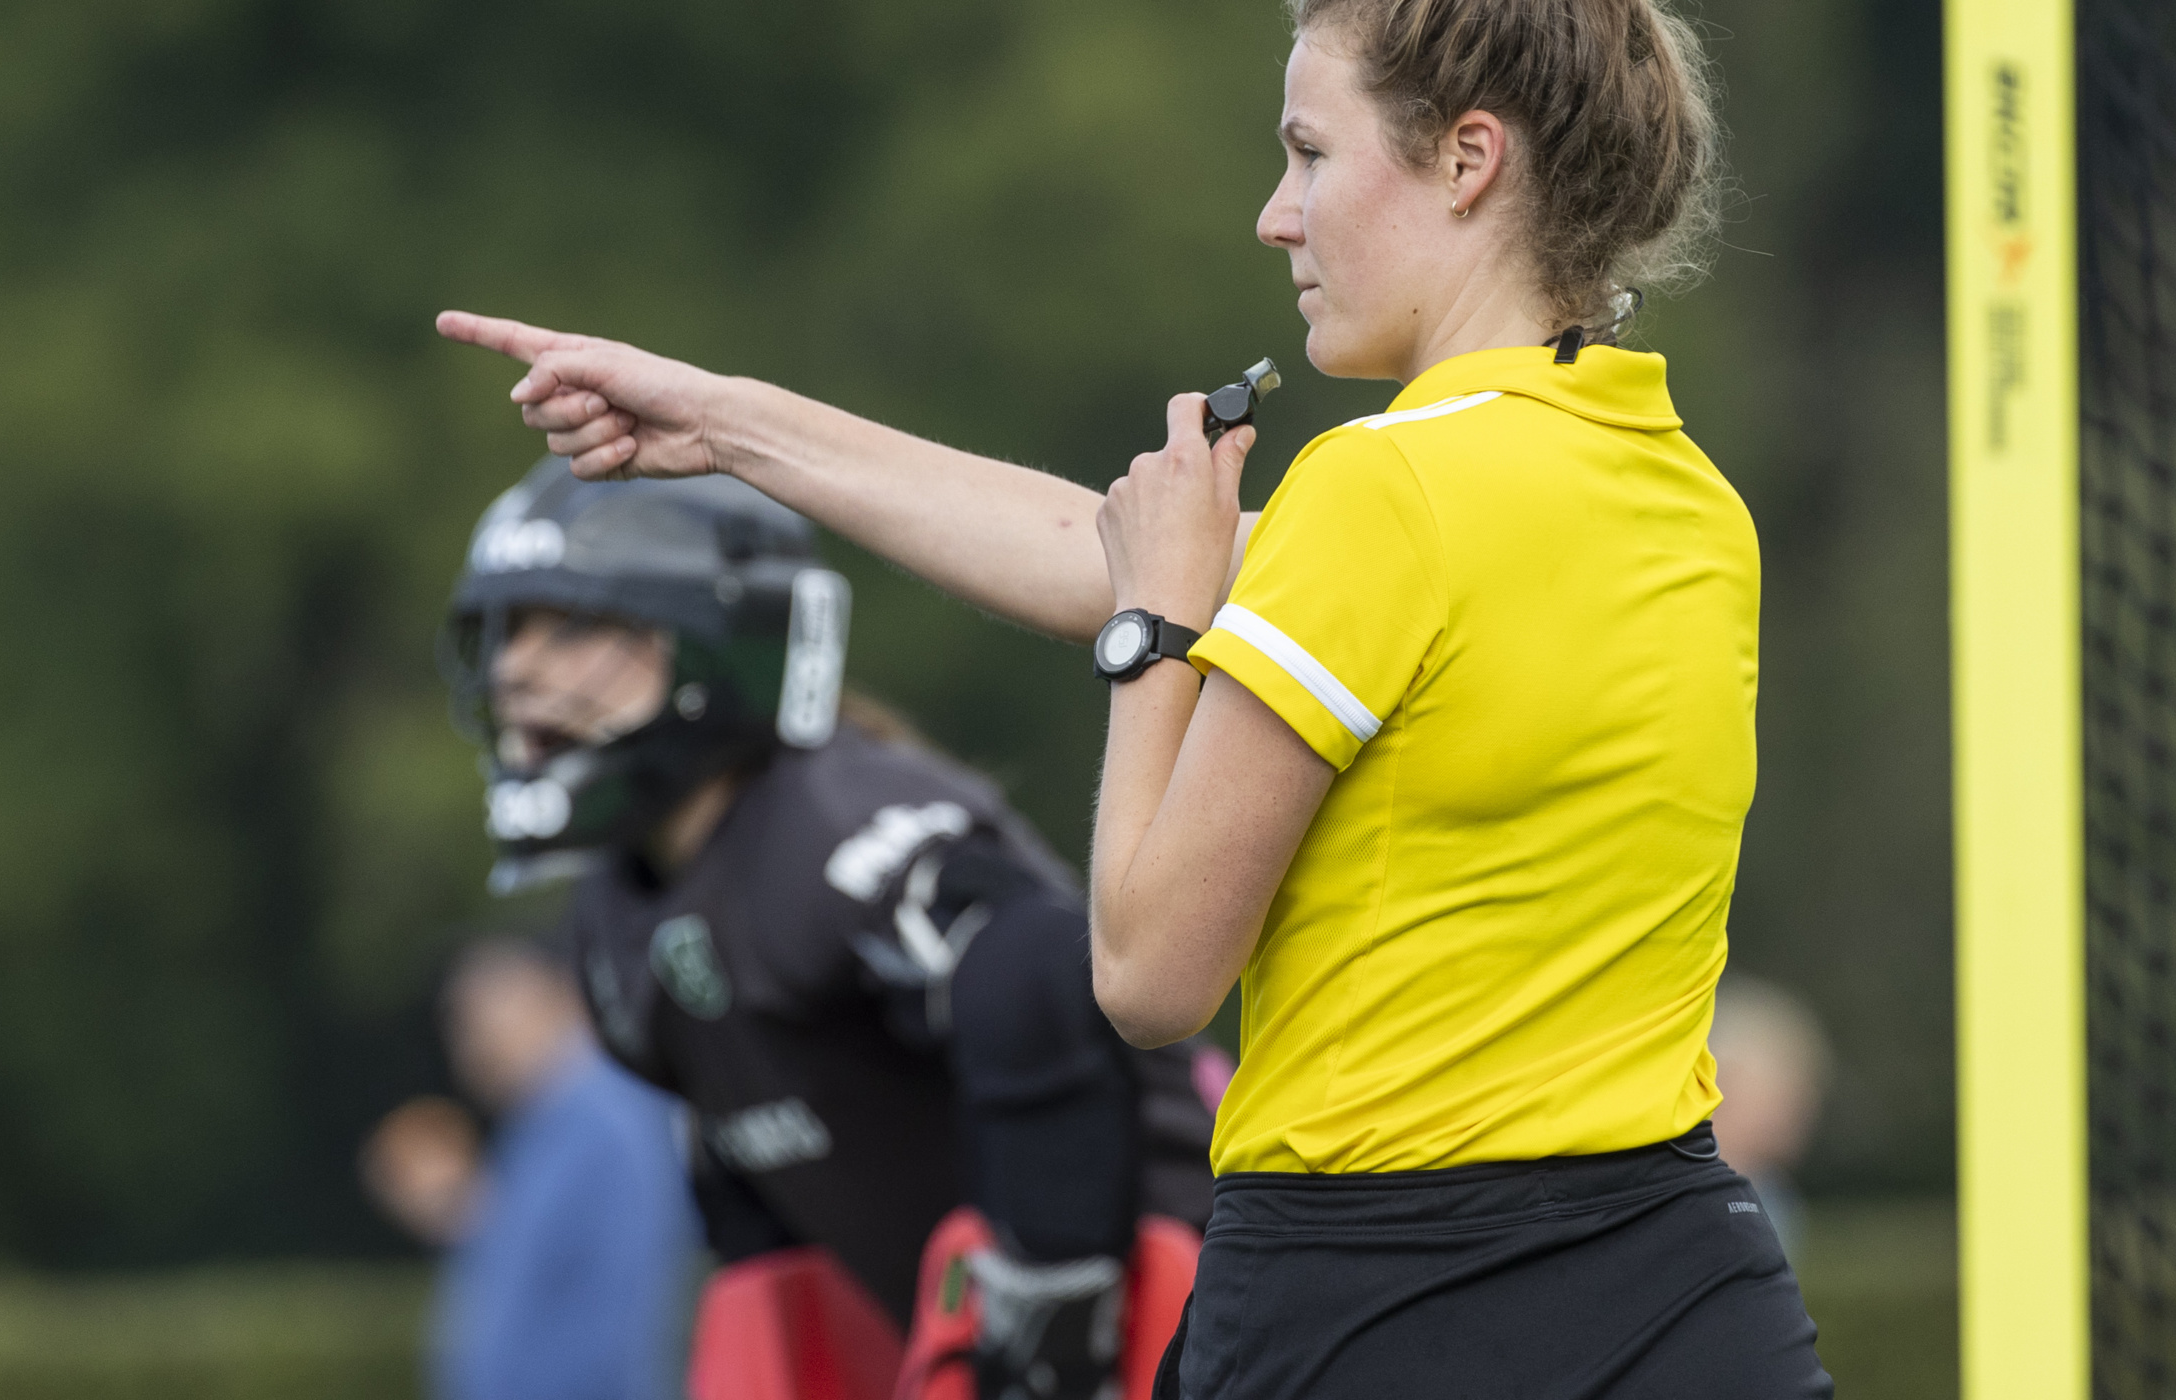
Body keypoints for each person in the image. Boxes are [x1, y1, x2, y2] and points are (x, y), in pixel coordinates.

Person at [436, 0, 1834, 1390]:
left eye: (1308, 154)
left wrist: (1156, 633)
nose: (1275, 217)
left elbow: (1150, 973)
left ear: (1470, 159)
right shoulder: (1685, 495)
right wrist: (727, 423)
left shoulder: (1381, 490)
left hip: (1378, 1297)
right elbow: (1090, 548)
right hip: (1689, 1288)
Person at [439, 461, 1217, 1400]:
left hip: (1194, 1294)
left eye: (570, 626)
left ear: (707, 642)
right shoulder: (619, 911)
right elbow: (759, 1189)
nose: (517, 667)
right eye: (510, 630)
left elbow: (1037, 968)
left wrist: (1048, 1294)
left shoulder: (834, 821)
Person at [363, 938, 701, 1400]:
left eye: (473, 1020)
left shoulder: (608, 1121)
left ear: (541, 1000)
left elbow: (629, 1311)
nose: (465, 1048)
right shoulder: (537, 1131)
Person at [1709, 973, 1834, 1258]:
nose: (1807, 1099)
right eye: (1788, 1076)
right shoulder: (1663, 1187)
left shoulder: (1776, 1201)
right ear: (1724, 1077)